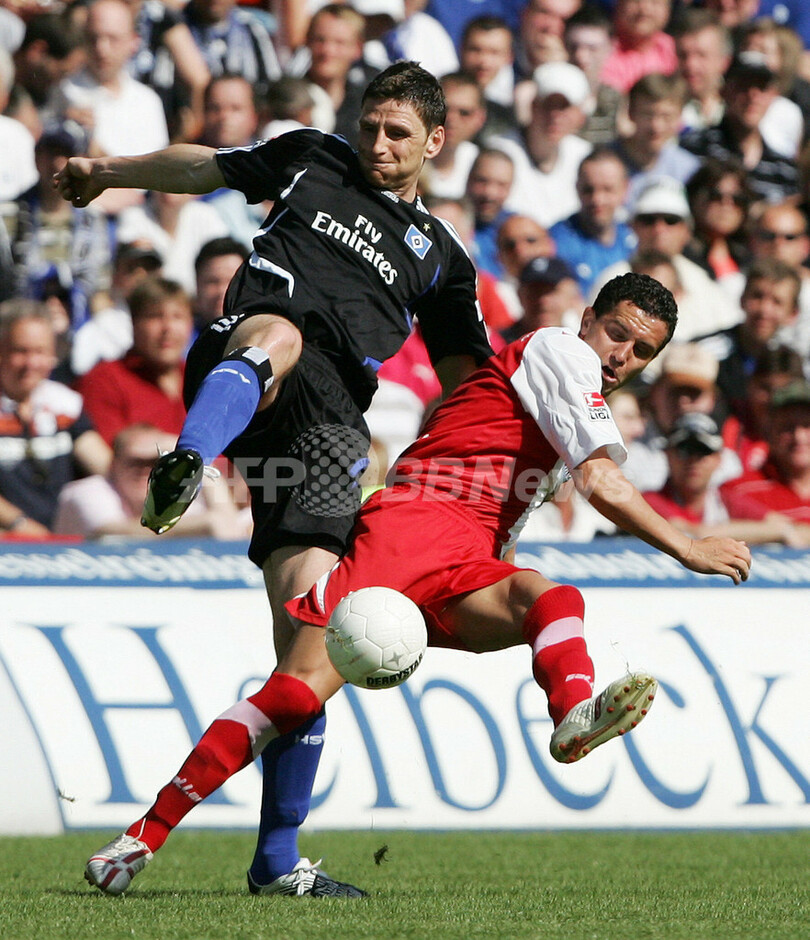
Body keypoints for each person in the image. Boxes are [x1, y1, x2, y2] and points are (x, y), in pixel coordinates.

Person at [82, 272, 752, 896]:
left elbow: (505, 488)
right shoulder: (561, 352)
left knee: (550, 599)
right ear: (587, 321)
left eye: (642, 351)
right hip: (414, 528)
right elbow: (601, 481)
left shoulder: (569, 396)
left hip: (468, 553)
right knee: (293, 695)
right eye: (617, 333)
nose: (621, 356)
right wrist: (687, 546)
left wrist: (500, 552)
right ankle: (143, 836)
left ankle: (573, 715)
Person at [56, 61, 492, 897]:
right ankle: (189, 459)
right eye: (370, 125)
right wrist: (108, 171)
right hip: (252, 346)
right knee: (279, 336)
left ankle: (277, 861)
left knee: (309, 640)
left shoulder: (442, 258)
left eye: (397, 133)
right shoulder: (311, 156)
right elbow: (206, 166)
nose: (377, 143)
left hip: (330, 428)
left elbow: (469, 383)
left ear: (436, 142)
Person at [0, 300, 111, 534]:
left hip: (63, 539)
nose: (31, 363)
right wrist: (19, 524)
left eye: (40, 352)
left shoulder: (65, 404)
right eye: (20, 351)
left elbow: (104, 466)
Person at [53, 422, 246, 539]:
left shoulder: (180, 492)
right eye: (136, 462)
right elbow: (108, 533)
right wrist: (206, 524)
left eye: (155, 462)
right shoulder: (85, 492)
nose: (146, 470)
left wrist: (194, 456)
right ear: (113, 465)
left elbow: (228, 529)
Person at [75, 275, 194, 445]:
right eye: (155, 316)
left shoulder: (204, 378)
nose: (168, 328)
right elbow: (114, 455)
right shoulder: (104, 381)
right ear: (134, 323)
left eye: (178, 317)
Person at [492, 61, 592, 229]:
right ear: (533, 106)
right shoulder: (499, 152)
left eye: (564, 107)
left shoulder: (584, 155)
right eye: (549, 105)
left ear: (580, 115)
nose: (555, 115)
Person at [549, 147, 636, 296]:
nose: (597, 199)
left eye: (607, 189)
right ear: (577, 188)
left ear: (625, 189)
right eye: (588, 190)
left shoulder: (636, 238)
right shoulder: (555, 243)